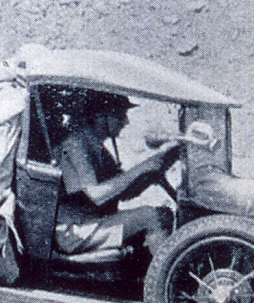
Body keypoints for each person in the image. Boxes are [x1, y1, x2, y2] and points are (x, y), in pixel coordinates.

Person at [54, 91, 181, 257]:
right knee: (152, 216)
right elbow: (93, 195)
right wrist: (142, 168)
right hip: (76, 231)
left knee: (165, 214)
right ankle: (167, 271)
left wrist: (156, 168)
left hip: (91, 223)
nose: (126, 121)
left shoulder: (97, 147)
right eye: (120, 115)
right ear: (100, 117)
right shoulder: (75, 145)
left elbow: (125, 193)